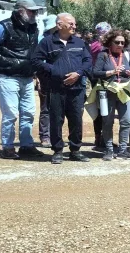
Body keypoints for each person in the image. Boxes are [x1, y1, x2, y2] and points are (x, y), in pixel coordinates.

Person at [0, 0, 44, 159]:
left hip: (27, 76)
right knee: (10, 113)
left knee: (29, 112)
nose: (34, 14)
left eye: (35, 11)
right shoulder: (3, 27)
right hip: (6, 75)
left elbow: (34, 50)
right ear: (20, 11)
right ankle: (8, 147)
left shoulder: (34, 28)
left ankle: (26, 145)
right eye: (31, 11)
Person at [32, 13, 93, 164]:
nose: (74, 26)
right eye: (71, 24)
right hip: (56, 88)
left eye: (74, 24)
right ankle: (57, 150)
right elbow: (36, 61)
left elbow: (88, 61)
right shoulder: (47, 42)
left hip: (77, 88)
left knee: (76, 119)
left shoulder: (79, 42)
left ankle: (75, 150)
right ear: (59, 25)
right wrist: (54, 70)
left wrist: (78, 73)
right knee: (56, 119)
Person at [91, 30, 130, 161]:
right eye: (117, 42)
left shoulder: (127, 55)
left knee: (126, 121)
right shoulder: (103, 55)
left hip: (124, 91)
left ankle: (123, 150)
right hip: (107, 92)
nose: (120, 45)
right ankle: (109, 149)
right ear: (110, 42)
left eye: (123, 42)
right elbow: (96, 73)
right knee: (107, 121)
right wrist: (112, 71)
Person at [36, 14, 58, 148]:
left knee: (58, 108)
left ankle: (55, 136)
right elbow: (38, 62)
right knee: (46, 108)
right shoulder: (41, 40)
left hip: (59, 78)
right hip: (45, 77)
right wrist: (37, 78)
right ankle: (45, 136)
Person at [89, 22, 111, 152]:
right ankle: (100, 138)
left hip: (100, 79)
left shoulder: (94, 45)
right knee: (101, 108)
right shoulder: (99, 46)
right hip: (100, 79)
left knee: (102, 108)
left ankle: (101, 137)